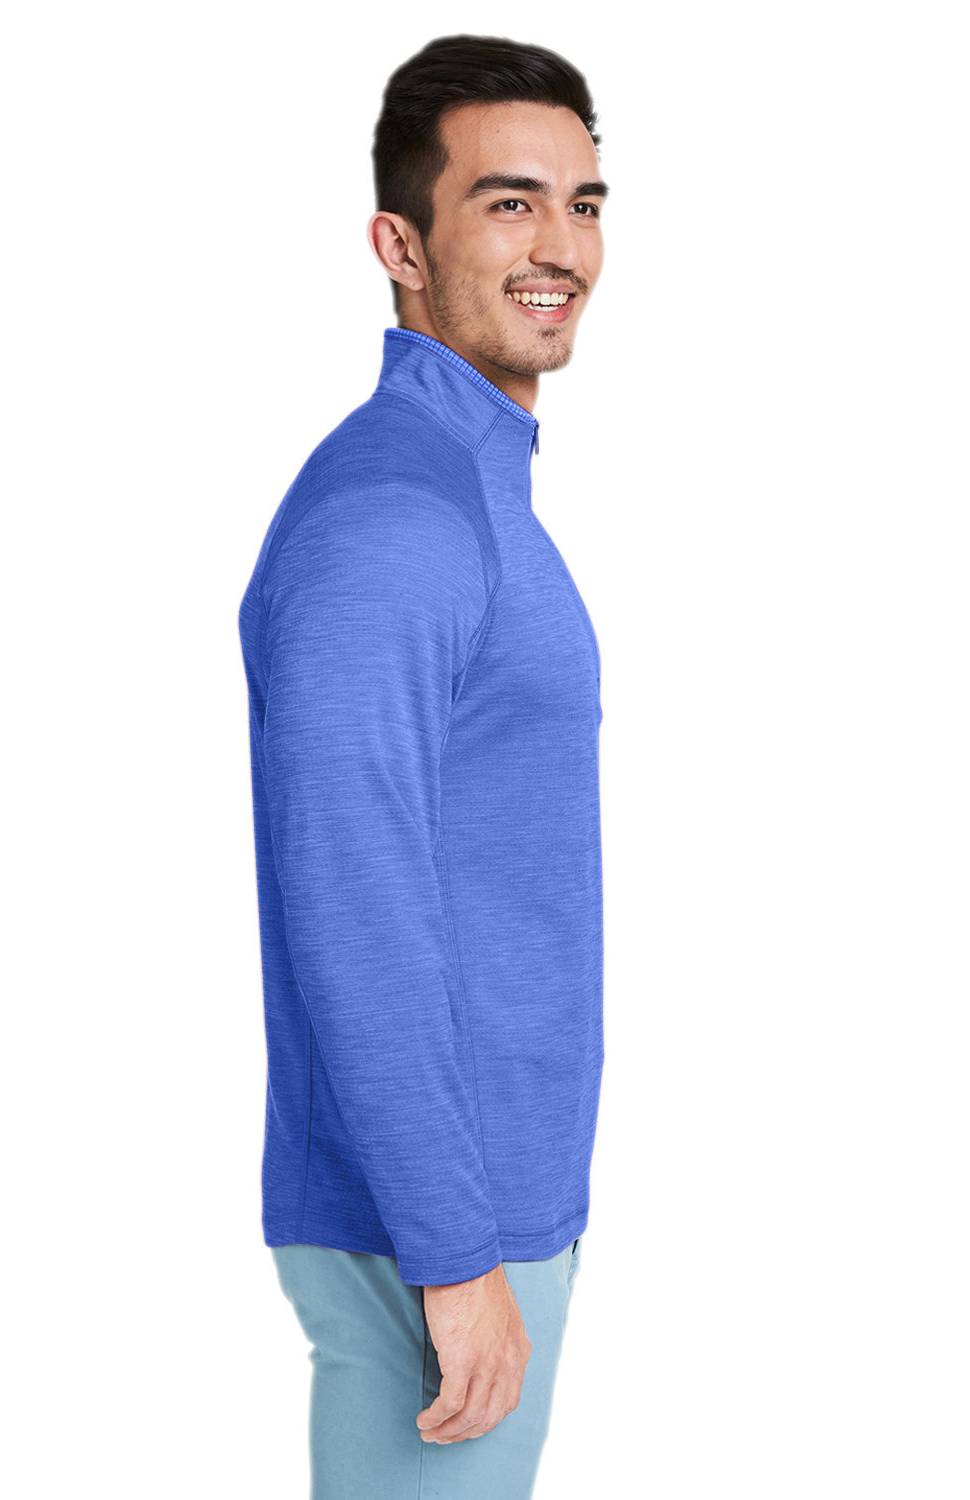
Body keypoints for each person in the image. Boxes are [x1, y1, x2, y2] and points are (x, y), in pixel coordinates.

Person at [237, 33, 608, 1499]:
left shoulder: (468, 489)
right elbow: (353, 892)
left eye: (583, 203)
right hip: (435, 1229)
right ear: (401, 245)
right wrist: (454, 1253)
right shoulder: (394, 519)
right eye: (509, 203)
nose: (559, 245)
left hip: (488, 1201)